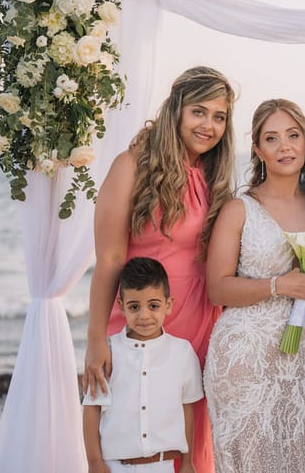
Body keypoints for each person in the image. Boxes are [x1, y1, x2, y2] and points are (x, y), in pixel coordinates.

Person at [83, 66, 237, 473]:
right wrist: (96, 339)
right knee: (132, 429)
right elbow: (110, 260)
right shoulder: (130, 166)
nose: (208, 125)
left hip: (201, 323)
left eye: (219, 117)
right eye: (198, 112)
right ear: (176, 110)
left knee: (190, 436)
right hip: (144, 317)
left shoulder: (213, 175)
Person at [204, 98, 305, 472]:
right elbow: (217, 288)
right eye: (271, 138)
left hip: (302, 357)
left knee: (299, 459)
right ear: (257, 149)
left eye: (293, 136)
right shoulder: (239, 209)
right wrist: (280, 286)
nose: (284, 147)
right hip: (245, 358)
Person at [83, 257, 203, 473]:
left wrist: (187, 462)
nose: (144, 315)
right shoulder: (108, 352)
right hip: (115, 467)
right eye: (134, 307)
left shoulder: (182, 352)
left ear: (168, 305)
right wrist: (94, 462)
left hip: (163, 466)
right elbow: (92, 407)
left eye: (153, 306)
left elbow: (187, 407)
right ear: (121, 307)